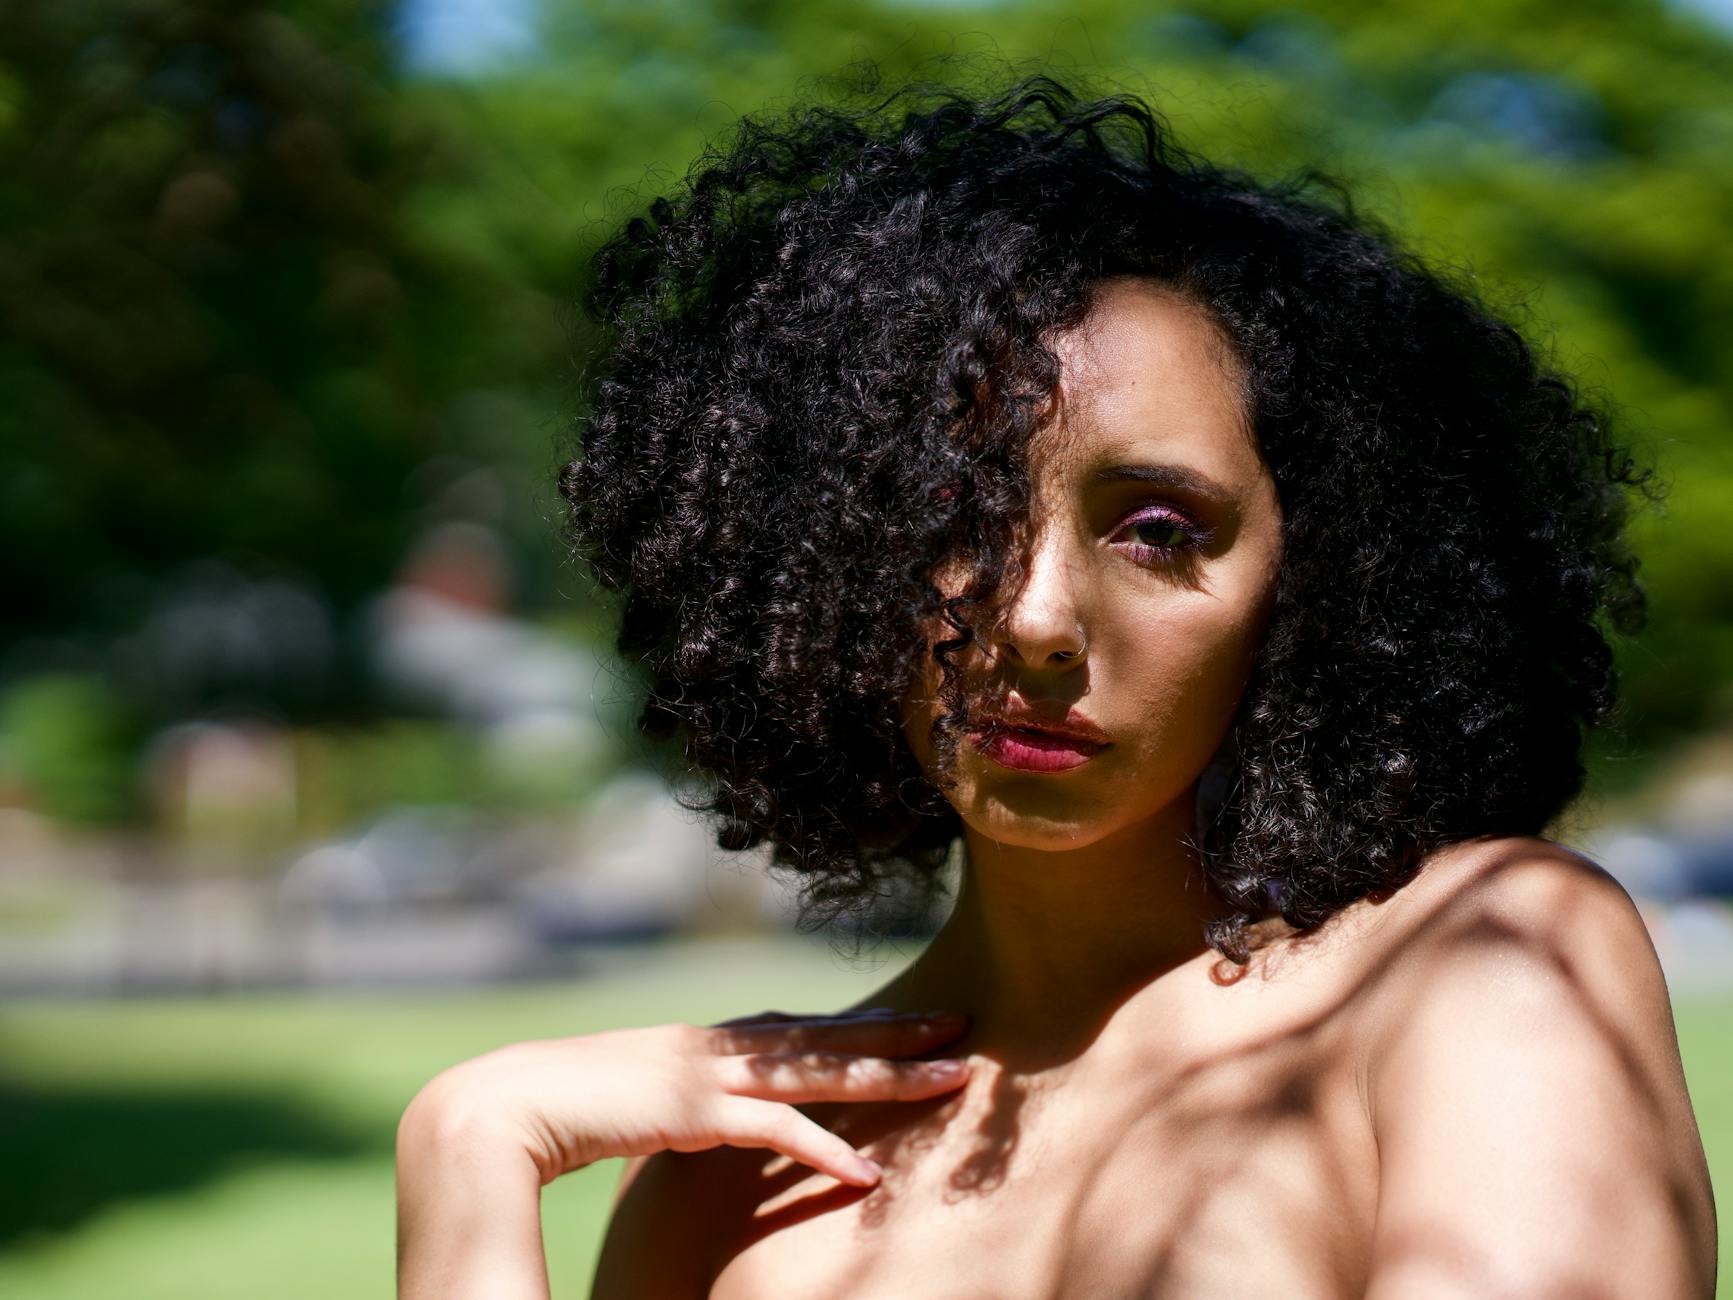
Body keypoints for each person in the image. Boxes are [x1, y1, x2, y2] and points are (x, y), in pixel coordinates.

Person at [395, 71, 1718, 1298]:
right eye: (949, 509)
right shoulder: (731, 1175)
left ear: (1318, 584)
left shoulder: (1480, 961)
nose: (1032, 619)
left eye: (1158, 528)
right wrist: (470, 1151)